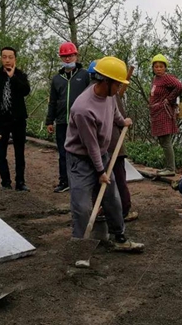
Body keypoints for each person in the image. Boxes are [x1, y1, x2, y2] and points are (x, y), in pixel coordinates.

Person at [65, 56, 144, 252]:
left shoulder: (109, 95)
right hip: (81, 160)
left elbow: (114, 109)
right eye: (117, 84)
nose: (119, 89)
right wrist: (101, 171)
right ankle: (79, 248)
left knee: (112, 199)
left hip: (102, 155)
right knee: (82, 207)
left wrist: (121, 121)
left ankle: (119, 237)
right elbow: (90, 145)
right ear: (105, 81)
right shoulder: (83, 108)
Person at [88, 61, 138, 222]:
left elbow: (119, 118)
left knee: (113, 177)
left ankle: (121, 209)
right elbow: (121, 118)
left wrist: (123, 121)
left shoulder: (104, 94)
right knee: (110, 177)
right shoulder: (106, 94)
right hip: (105, 145)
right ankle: (113, 209)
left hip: (112, 144)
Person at [46, 42, 90, 193]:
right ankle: (64, 181)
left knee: (81, 152)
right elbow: (52, 101)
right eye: (64, 56)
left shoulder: (85, 75)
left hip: (80, 122)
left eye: (70, 55)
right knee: (63, 153)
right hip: (62, 122)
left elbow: (91, 97)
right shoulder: (57, 79)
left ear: (76, 56)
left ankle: (82, 181)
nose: (67, 59)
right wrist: (49, 121)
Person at [0, 46, 31, 191]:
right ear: (1, 58)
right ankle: (5, 181)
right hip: (0, 120)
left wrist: (13, 77)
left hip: (18, 120)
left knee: (19, 152)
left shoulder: (20, 75)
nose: (7, 60)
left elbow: (25, 90)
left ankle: (20, 182)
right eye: (4, 57)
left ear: (15, 59)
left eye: (10, 57)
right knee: (1, 152)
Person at [149, 54, 182, 177]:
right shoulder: (156, 79)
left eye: (161, 66)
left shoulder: (166, 78)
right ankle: (168, 166)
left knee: (166, 141)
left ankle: (170, 168)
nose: (158, 69)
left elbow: (179, 86)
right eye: (156, 66)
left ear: (165, 68)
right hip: (157, 112)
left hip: (164, 112)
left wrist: (169, 99)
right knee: (162, 141)